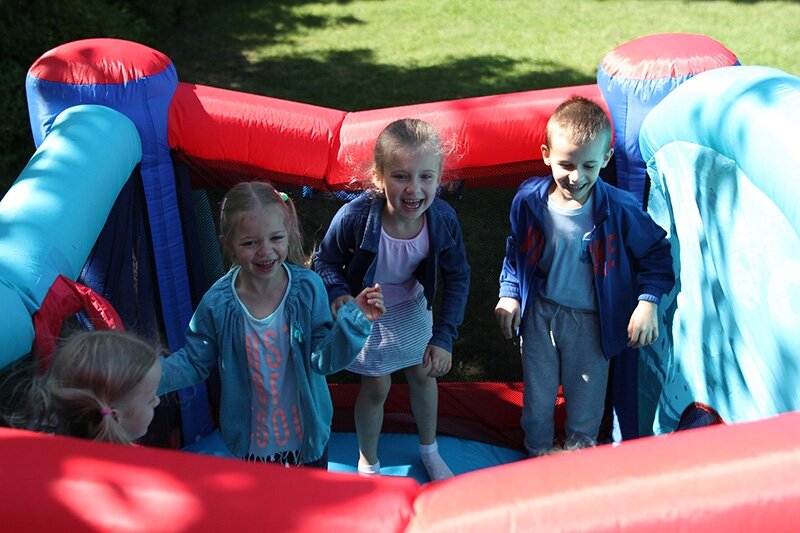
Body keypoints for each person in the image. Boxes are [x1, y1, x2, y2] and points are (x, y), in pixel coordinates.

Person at [494, 96, 674, 457]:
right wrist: (509, 293)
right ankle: (536, 454)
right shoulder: (529, 200)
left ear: (606, 159)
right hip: (541, 315)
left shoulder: (619, 208)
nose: (576, 177)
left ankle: (579, 462)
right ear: (546, 155)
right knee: (538, 398)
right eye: (566, 164)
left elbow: (656, 251)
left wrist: (647, 302)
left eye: (589, 165)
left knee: (586, 403)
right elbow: (517, 251)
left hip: (592, 324)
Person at [158, 181, 384, 468]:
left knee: (309, 496)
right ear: (227, 244)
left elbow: (322, 360)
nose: (265, 251)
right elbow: (194, 360)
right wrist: (150, 378)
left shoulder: (307, 290)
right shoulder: (218, 303)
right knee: (266, 499)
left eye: (275, 238)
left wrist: (355, 320)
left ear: (288, 234)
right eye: (249, 243)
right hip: (253, 443)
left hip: (307, 438)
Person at [313, 118, 470, 480]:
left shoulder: (442, 219)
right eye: (400, 176)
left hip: (411, 304)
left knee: (423, 373)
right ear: (379, 177)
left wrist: (444, 336)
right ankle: (368, 462)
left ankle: (430, 450)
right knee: (376, 385)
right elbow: (325, 260)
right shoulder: (355, 216)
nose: (414, 189)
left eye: (425, 177)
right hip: (369, 307)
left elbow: (459, 275)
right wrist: (339, 294)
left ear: (440, 177)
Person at [8, 330, 162, 445]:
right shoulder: (123, 469)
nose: (157, 401)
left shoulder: (34, 436)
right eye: (150, 400)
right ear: (115, 417)